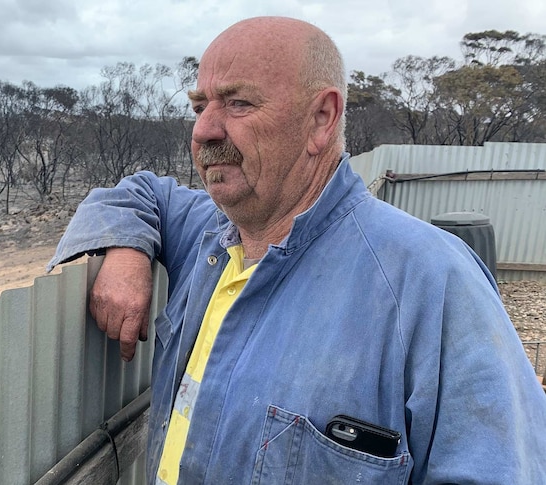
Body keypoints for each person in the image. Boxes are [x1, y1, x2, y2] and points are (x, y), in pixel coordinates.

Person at [47, 16, 546, 484]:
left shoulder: (433, 281)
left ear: (322, 118)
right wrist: (128, 252)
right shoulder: (207, 229)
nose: (203, 130)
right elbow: (138, 191)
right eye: (200, 107)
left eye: (238, 103)